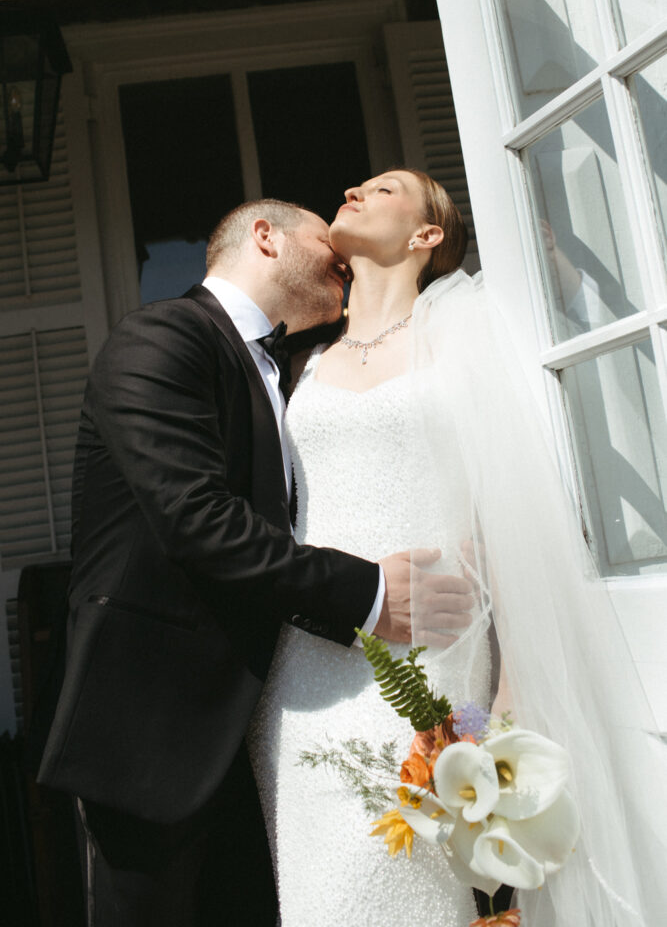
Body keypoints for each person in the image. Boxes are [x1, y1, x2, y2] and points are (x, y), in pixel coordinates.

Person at [37, 198, 474, 927]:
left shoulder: (298, 367)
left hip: (259, 720)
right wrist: (368, 591)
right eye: (320, 239)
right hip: (155, 725)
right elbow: (197, 521)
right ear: (265, 239)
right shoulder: (161, 336)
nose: (338, 251)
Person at [248, 171, 667, 927]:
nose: (355, 189)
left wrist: (503, 707)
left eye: (385, 188)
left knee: (400, 876)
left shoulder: (467, 336)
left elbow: (510, 511)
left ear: (426, 234)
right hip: (304, 669)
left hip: (431, 657)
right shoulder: (297, 364)